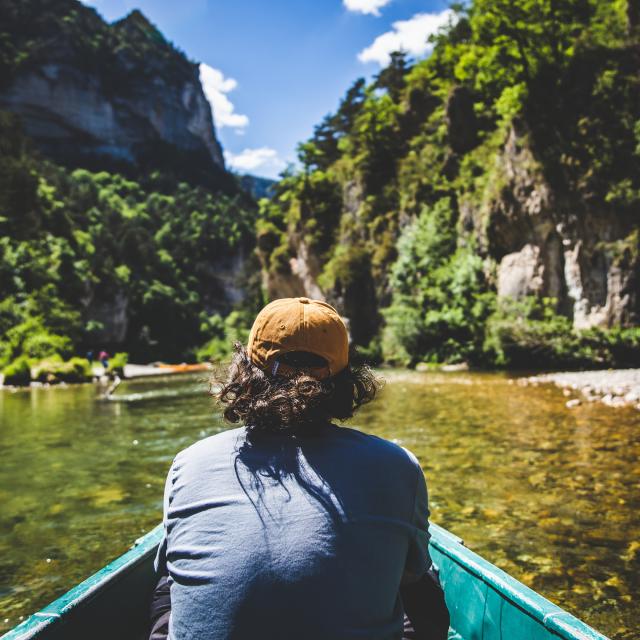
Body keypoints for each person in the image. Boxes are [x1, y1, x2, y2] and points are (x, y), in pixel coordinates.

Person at [151, 297, 449, 640]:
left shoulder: (189, 464)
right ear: (345, 381)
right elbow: (409, 576)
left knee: (165, 581)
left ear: (244, 373)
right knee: (420, 578)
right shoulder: (398, 467)